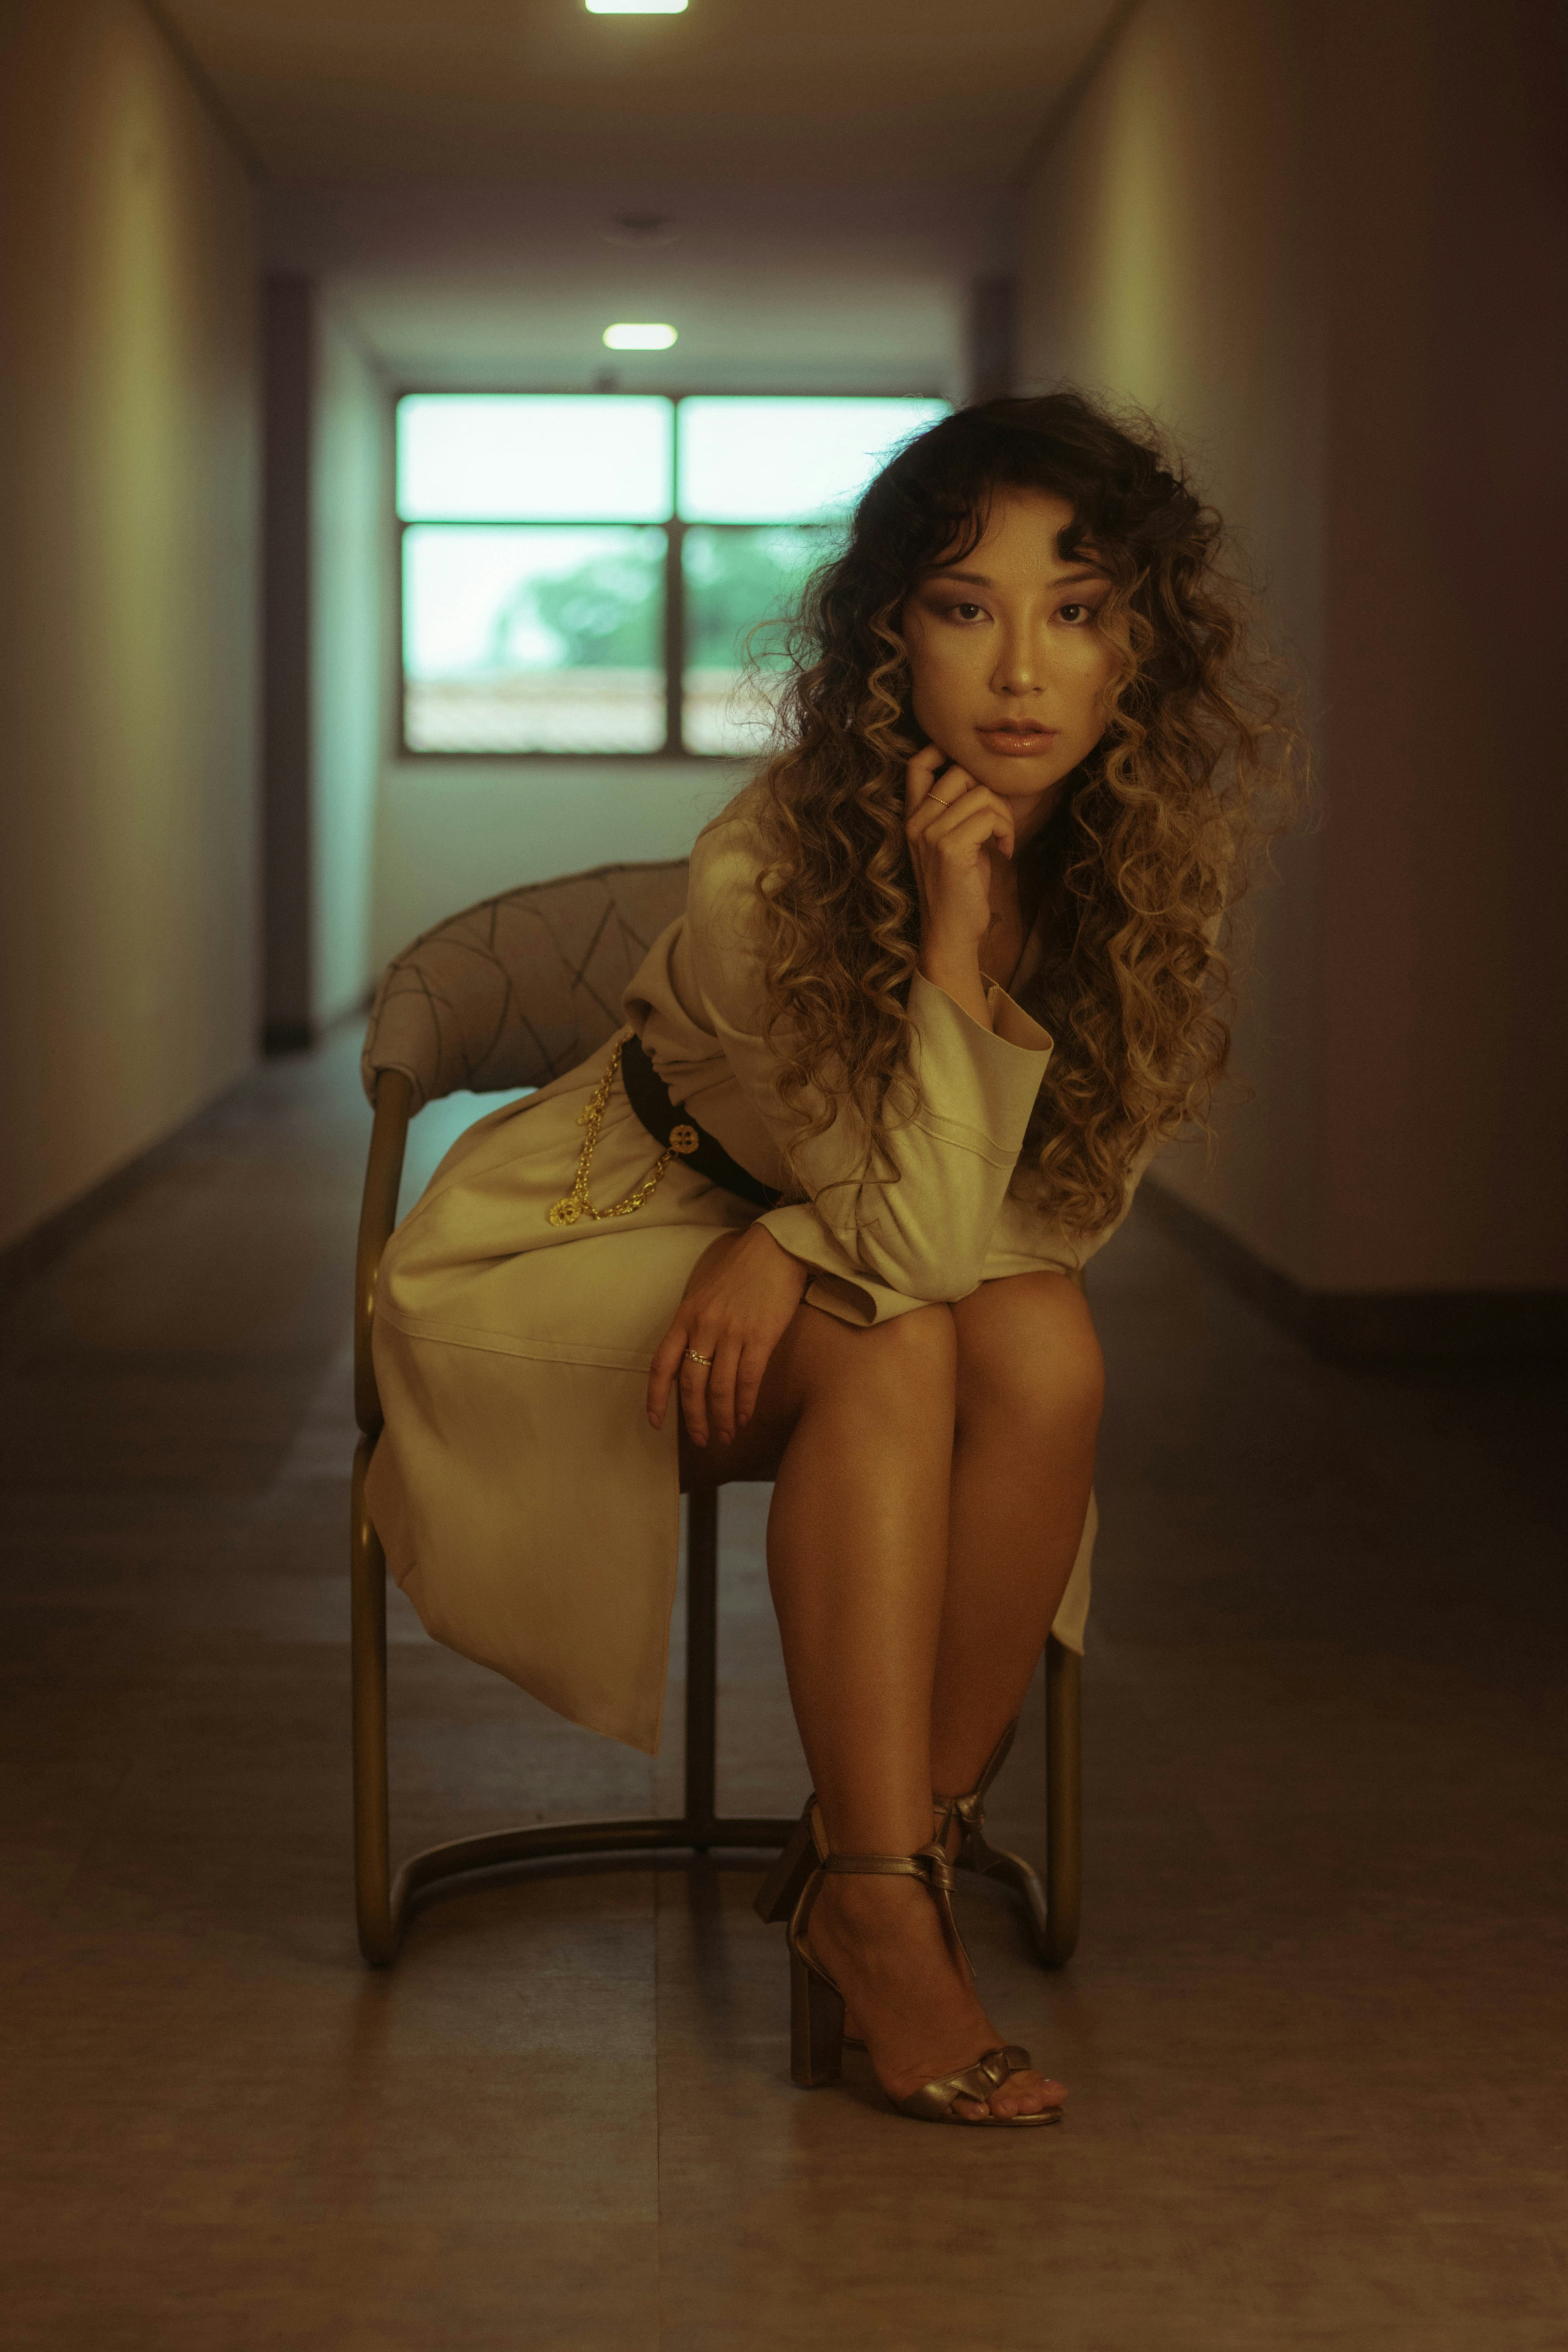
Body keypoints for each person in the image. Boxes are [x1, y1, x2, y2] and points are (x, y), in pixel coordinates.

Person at [366, 393, 1288, 2129]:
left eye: (1076, 611)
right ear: (892, 638)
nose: (1020, 667)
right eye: (964, 605)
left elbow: (1058, 1218)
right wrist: (946, 941)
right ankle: (877, 1903)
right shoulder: (768, 871)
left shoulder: (1143, 872)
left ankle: (888, 1869)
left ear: (1139, 650)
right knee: (908, 1342)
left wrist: (794, 1239)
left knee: (1046, 1346)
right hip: (591, 1237)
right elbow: (928, 1245)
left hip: (812, 1251)